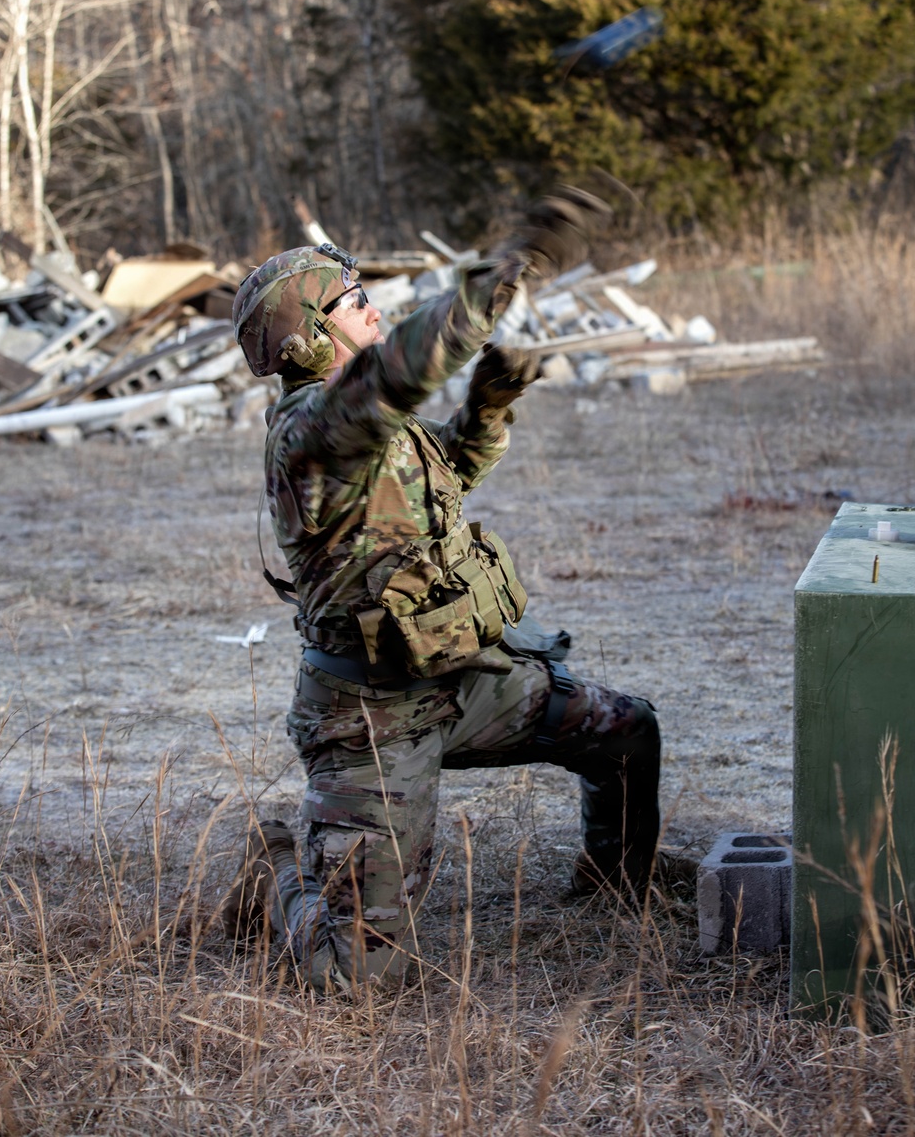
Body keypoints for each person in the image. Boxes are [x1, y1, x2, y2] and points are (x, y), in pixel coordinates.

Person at [222, 192, 661, 991]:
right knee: (353, 976)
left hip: (462, 682)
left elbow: (445, 477)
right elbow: (400, 369)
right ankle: (281, 867)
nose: (373, 307)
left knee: (626, 731)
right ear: (313, 337)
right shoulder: (312, 432)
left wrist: (488, 408)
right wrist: (497, 279)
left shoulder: (371, 426)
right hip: (373, 721)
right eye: (354, 302)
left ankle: (614, 892)